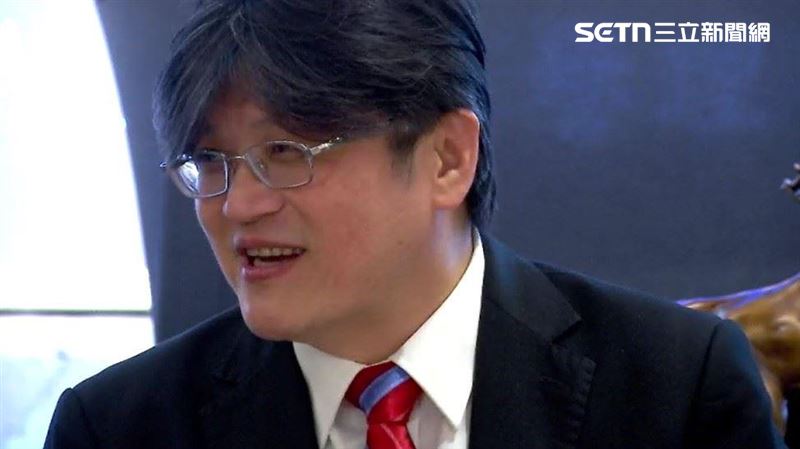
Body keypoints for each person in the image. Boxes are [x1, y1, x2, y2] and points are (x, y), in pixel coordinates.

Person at [44, 1, 785, 448]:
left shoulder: (677, 388)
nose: (237, 205)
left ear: (446, 158)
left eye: (286, 152)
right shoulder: (119, 425)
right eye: (211, 162)